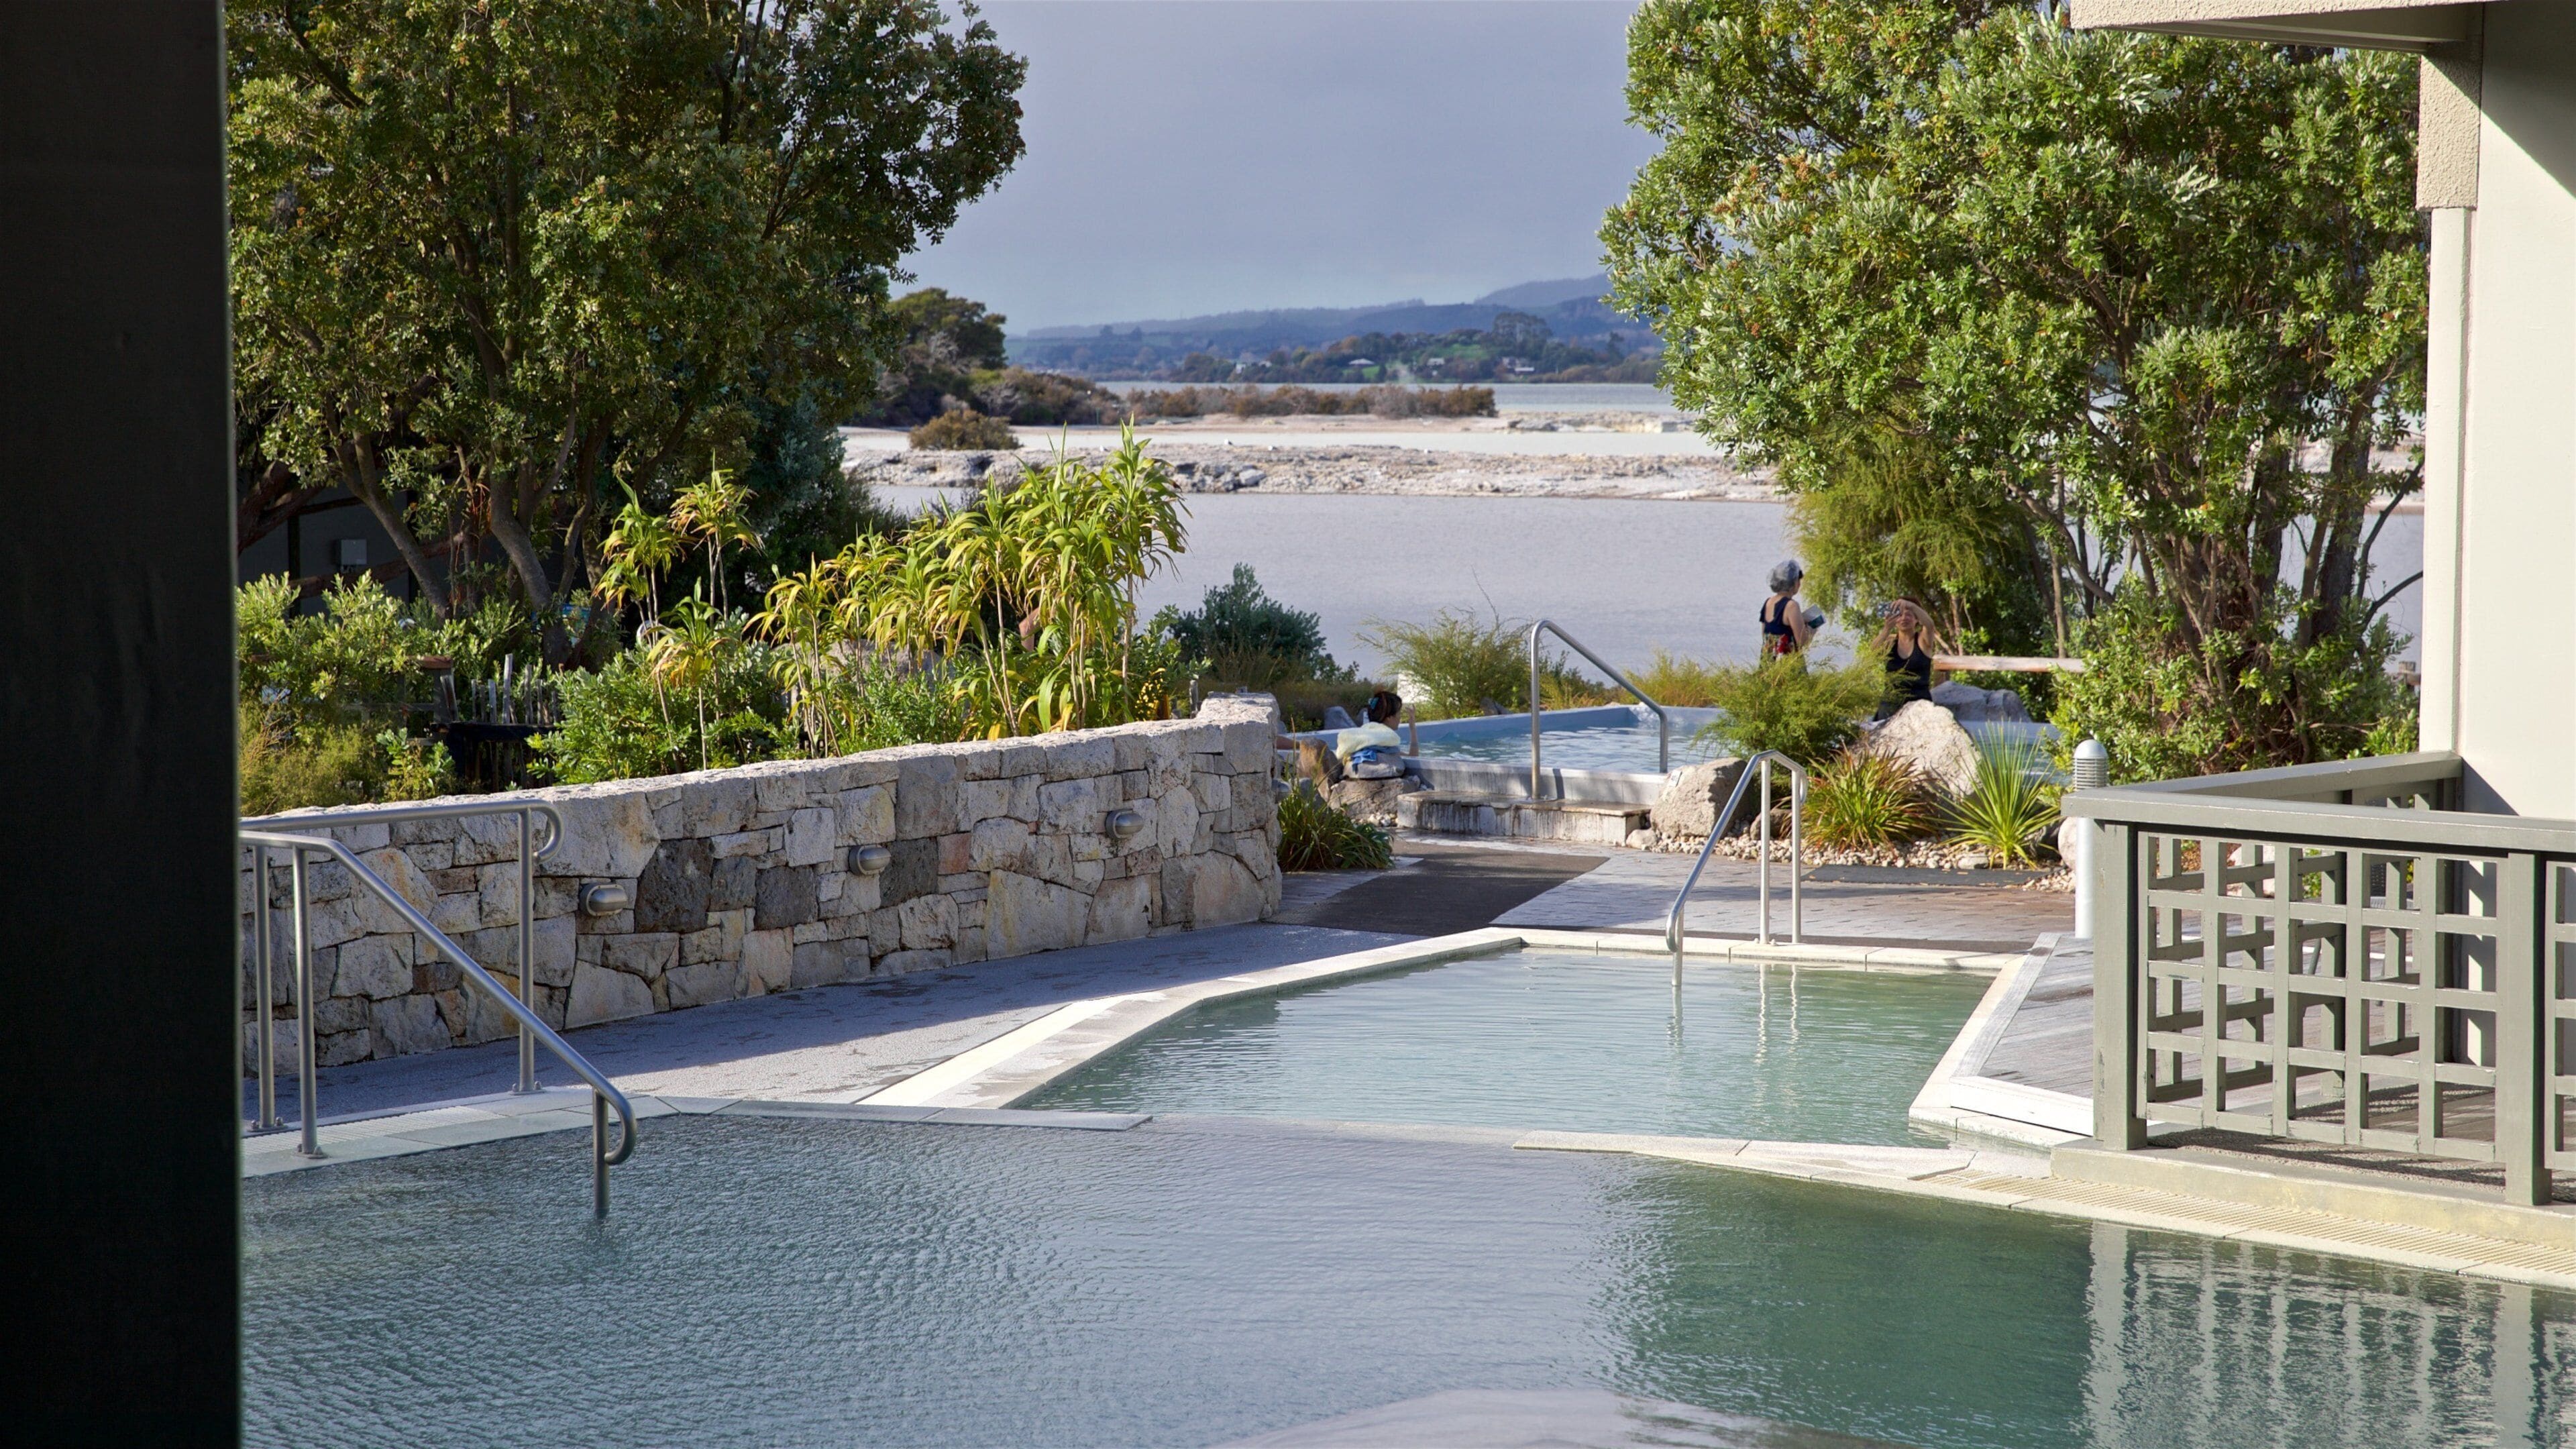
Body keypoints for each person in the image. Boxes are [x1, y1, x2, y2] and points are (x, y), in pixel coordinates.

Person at [1870, 598, 1942, 716]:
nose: (1904, 618)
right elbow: (1872, 653)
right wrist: (1886, 629)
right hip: (1891, 701)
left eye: (1908, 615)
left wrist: (1911, 605)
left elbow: (1929, 625)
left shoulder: (1923, 641)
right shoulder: (1890, 642)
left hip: (1919, 702)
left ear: (1916, 619)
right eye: (1900, 615)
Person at [1336, 689, 1407, 778]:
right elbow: (1413, 757)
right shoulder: (1385, 740)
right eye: (1399, 713)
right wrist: (1413, 729)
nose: (1400, 718)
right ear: (1389, 717)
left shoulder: (1365, 735)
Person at [1759, 560, 1815, 659]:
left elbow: (1765, 636)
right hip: (1787, 663)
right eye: (1798, 581)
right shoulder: (1792, 606)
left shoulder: (1768, 603)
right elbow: (1802, 642)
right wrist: (1812, 628)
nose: (1799, 584)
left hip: (1768, 663)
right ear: (1794, 583)